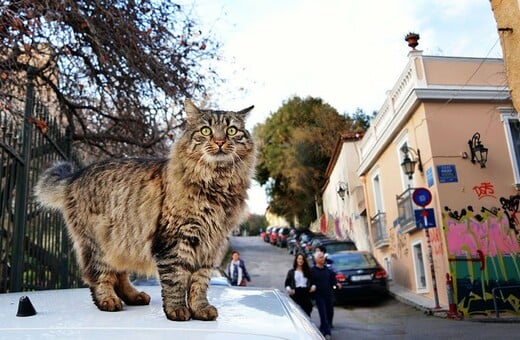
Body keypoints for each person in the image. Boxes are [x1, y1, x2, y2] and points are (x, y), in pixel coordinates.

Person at [311, 251, 341, 339]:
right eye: (320, 257)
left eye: (323, 257)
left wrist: (337, 284)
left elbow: (333, 279)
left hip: (328, 295)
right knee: (323, 313)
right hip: (319, 296)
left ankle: (323, 328)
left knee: (329, 313)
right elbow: (310, 282)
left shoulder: (327, 270)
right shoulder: (312, 271)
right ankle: (327, 333)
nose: (323, 259)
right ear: (316, 259)